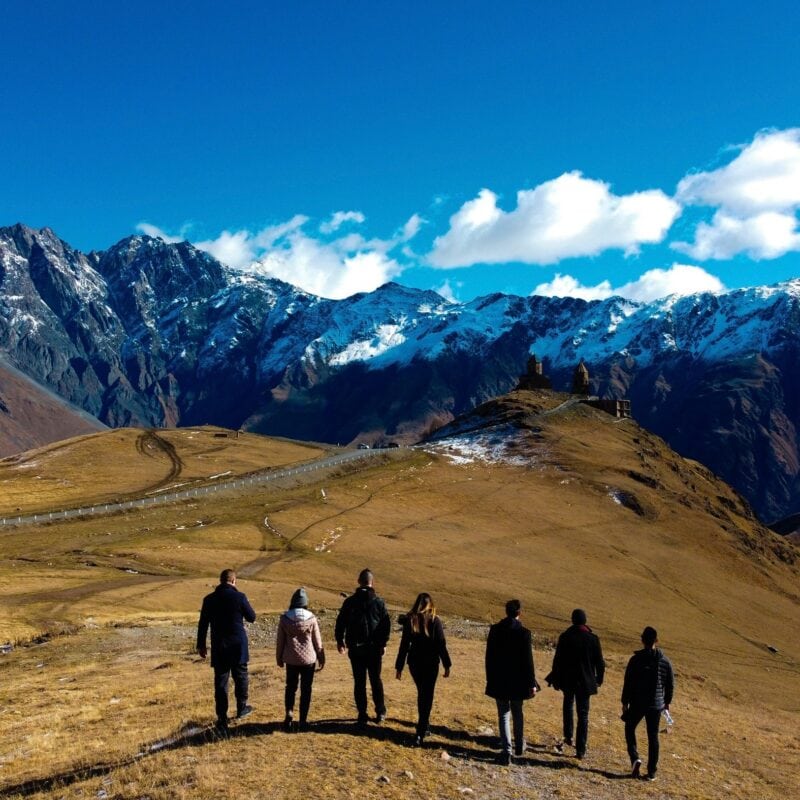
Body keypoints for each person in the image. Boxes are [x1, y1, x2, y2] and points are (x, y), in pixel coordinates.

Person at [196, 568, 257, 730]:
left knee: (221, 682)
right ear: (233, 581)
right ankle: (242, 707)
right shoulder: (240, 597)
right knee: (241, 676)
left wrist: (201, 645)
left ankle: (222, 717)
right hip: (238, 644)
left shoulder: (209, 599)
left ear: (220, 580)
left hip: (219, 645)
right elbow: (252, 617)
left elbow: (203, 624)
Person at [485, 599, 539, 765]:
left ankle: (506, 751)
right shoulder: (524, 633)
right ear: (519, 612)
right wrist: (532, 683)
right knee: (517, 711)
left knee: (503, 714)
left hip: (499, 679)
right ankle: (520, 744)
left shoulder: (495, 630)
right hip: (518, 681)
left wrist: (490, 677)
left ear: (506, 611)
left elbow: (489, 657)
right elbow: (528, 661)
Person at [546, 608, 605, 759]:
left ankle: (568, 736)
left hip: (568, 680)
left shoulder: (565, 637)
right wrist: (599, 679)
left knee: (568, 705)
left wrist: (556, 678)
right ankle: (580, 749)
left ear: (572, 620)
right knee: (583, 715)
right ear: (585, 621)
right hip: (585, 682)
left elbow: (557, 660)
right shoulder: (593, 639)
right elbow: (600, 662)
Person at [335, 568, 391, 725]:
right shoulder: (379, 603)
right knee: (375, 680)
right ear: (372, 582)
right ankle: (380, 711)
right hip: (374, 649)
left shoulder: (350, 602)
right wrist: (383, 644)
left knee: (359, 682)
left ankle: (362, 713)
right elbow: (385, 625)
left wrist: (340, 641)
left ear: (359, 582)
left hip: (356, 649)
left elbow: (340, 623)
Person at [395, 592, 452, 746]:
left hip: (414, 663)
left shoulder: (411, 621)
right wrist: (447, 664)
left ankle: (424, 726)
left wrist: (399, 666)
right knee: (427, 696)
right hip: (431, 664)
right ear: (430, 605)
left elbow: (404, 645)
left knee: (423, 693)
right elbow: (441, 645)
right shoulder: (435, 621)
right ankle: (421, 731)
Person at [621, 626, 675, 781]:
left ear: (642, 640)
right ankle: (651, 772)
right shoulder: (665, 661)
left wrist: (625, 702)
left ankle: (635, 758)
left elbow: (628, 683)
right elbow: (670, 684)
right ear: (656, 641)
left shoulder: (636, 659)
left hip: (638, 702)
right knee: (653, 737)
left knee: (629, 728)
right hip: (656, 705)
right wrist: (667, 702)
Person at [276, 587, 325, 731]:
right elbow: (317, 641)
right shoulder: (311, 618)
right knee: (306, 689)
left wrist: (279, 658)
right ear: (305, 603)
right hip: (308, 660)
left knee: (290, 688)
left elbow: (280, 641)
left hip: (291, 659)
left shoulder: (285, 618)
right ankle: (303, 720)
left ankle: (289, 713)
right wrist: (321, 657)